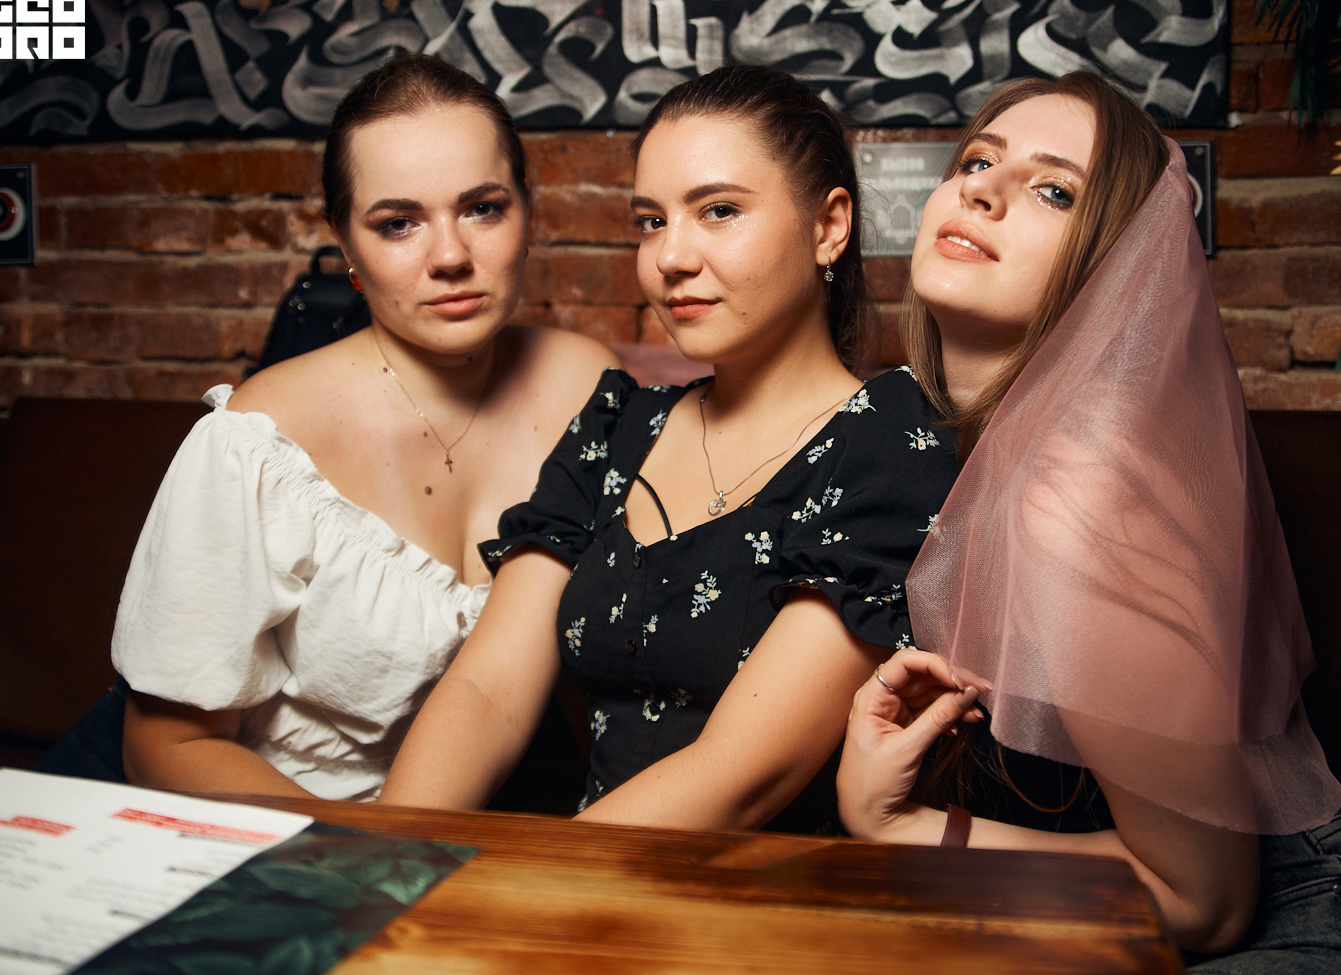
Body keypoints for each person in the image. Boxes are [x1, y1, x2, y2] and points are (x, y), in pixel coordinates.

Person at [836, 71, 1341, 972]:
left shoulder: (1077, 495)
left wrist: (900, 826)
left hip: (1309, 930)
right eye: (975, 161)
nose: (982, 190)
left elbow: (1205, 904)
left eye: (1055, 191)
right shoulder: (960, 444)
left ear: (1119, 267)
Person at [380, 65, 961, 832]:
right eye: (651, 221)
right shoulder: (617, 425)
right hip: (573, 865)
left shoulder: (895, 443)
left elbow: (740, 773)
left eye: (718, 211)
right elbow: (486, 688)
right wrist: (385, 865)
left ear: (828, 227)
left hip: (752, 886)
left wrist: (521, 886)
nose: (670, 258)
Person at [81, 54, 616, 801]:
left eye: (483, 208)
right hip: (248, 813)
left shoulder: (586, 387)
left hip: (436, 821)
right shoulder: (259, 441)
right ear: (346, 245)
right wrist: (359, 855)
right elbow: (167, 747)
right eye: (398, 224)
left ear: (529, 212)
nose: (451, 256)